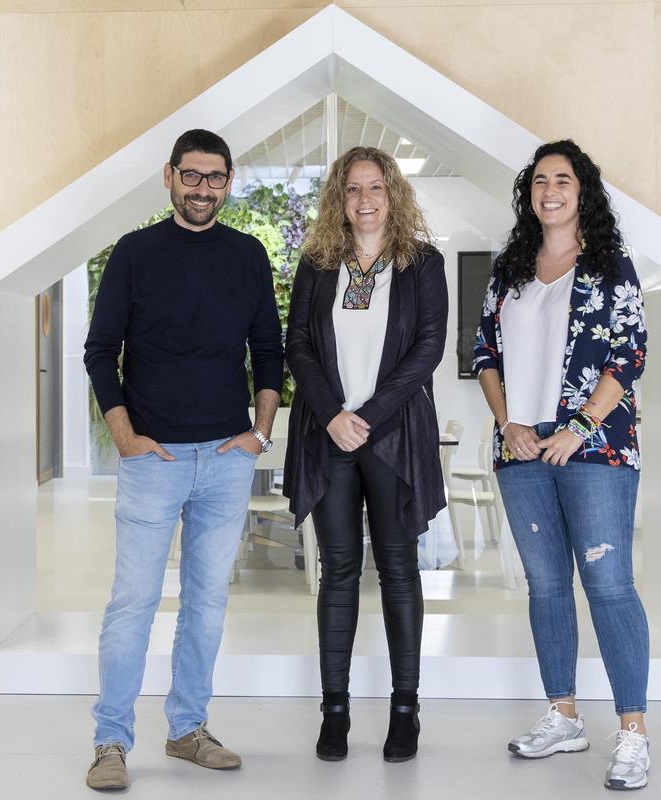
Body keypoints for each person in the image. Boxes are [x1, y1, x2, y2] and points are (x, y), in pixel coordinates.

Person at [82, 129, 283, 790]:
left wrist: (260, 431)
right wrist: (125, 436)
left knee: (207, 606)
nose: (202, 189)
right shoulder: (135, 255)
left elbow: (269, 350)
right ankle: (111, 742)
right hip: (154, 460)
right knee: (133, 603)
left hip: (226, 458)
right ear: (169, 176)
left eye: (215, 178)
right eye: (191, 176)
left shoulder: (248, 255)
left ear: (229, 181)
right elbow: (99, 348)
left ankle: (187, 730)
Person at [472, 139, 651, 790]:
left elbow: (629, 353)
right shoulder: (509, 270)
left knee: (608, 586)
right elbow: (483, 356)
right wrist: (507, 424)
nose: (549, 190)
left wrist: (578, 426)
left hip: (595, 448)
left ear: (583, 192)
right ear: (529, 193)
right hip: (521, 451)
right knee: (546, 587)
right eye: (540, 180)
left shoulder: (609, 263)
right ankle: (563, 716)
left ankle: (633, 734)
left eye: (563, 180)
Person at [283, 146, 447, 764]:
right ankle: (335, 712)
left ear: (392, 192)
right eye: (352, 189)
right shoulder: (318, 262)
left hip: (394, 437)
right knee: (339, 573)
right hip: (329, 438)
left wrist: (369, 417)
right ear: (339, 199)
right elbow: (297, 342)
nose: (364, 199)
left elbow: (429, 347)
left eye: (374, 187)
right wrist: (331, 414)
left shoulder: (421, 263)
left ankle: (405, 712)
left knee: (400, 571)